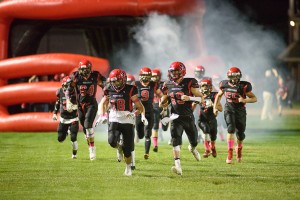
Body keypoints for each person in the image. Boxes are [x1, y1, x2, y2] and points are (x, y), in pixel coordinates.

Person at [96, 69, 146, 176]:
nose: (115, 84)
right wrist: (102, 115)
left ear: (123, 80)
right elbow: (103, 103)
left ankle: (128, 168)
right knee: (111, 141)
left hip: (127, 118)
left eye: (117, 81)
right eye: (113, 81)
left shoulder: (131, 89)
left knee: (128, 149)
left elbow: (140, 107)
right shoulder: (109, 89)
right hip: (114, 117)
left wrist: (134, 114)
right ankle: (119, 148)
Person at [160, 61, 204, 176]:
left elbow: (201, 99)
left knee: (194, 141)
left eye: (176, 71)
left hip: (188, 117)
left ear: (182, 72)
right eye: (172, 72)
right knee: (175, 140)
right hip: (175, 117)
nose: (174, 74)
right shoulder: (167, 84)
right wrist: (162, 102)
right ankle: (178, 166)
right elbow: (166, 98)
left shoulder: (189, 82)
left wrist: (189, 98)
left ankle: (193, 149)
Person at [213, 67, 257, 164]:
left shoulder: (244, 86)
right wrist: (215, 107)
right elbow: (218, 96)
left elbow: (254, 98)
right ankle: (230, 152)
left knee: (240, 134)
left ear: (239, 76)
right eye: (232, 77)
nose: (234, 79)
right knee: (230, 128)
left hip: (240, 110)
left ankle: (239, 148)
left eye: (236, 77)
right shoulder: (224, 84)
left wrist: (245, 100)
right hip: (229, 108)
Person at [66, 58, 106, 160]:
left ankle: (92, 149)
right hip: (80, 105)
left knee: (88, 125)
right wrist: (69, 100)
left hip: (91, 104)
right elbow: (68, 89)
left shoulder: (95, 75)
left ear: (90, 68)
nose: (84, 71)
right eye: (82, 69)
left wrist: (106, 94)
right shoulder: (76, 76)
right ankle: (90, 142)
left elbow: (104, 84)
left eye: (86, 68)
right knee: (85, 128)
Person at [135, 67, 164, 160]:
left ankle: (146, 153)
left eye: (147, 75)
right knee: (140, 134)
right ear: (140, 75)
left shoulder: (153, 85)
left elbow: (161, 95)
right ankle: (140, 135)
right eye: (143, 75)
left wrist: (163, 102)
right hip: (139, 111)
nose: (145, 77)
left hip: (149, 111)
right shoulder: (136, 84)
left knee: (148, 133)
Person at [52, 76, 79, 159]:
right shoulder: (60, 91)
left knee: (73, 137)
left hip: (73, 117)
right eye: (68, 85)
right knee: (60, 139)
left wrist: (75, 107)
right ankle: (66, 131)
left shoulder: (76, 92)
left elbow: (81, 104)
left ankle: (74, 154)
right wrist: (54, 113)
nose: (69, 87)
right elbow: (57, 102)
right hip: (63, 118)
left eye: (70, 85)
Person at [197, 78, 222, 158]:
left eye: (206, 86)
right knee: (206, 130)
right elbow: (192, 106)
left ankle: (213, 147)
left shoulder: (214, 96)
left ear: (210, 87)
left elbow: (221, 108)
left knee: (213, 137)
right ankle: (207, 149)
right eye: (203, 86)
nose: (204, 88)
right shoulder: (198, 95)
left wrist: (214, 105)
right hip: (202, 119)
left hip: (212, 119)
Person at [151, 68, 169, 152]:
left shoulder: (164, 84)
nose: (154, 78)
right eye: (153, 76)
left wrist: (165, 107)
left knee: (165, 127)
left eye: (156, 76)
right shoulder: (149, 84)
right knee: (155, 126)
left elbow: (167, 96)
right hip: (154, 107)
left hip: (164, 106)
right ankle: (155, 145)